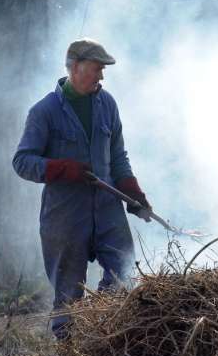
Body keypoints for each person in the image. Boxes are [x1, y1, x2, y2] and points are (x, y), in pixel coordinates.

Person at [12, 38, 152, 339]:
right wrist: (61, 168)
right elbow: (22, 161)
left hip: (107, 209)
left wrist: (133, 192)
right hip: (64, 218)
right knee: (68, 298)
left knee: (124, 274)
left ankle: (103, 340)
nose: (101, 77)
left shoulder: (107, 105)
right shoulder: (44, 112)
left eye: (103, 70)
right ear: (75, 67)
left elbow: (117, 157)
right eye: (97, 69)